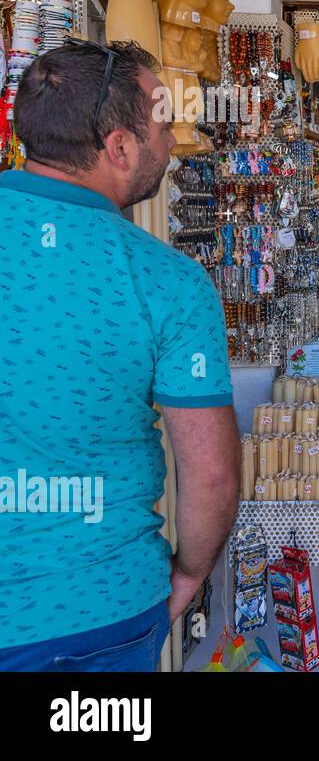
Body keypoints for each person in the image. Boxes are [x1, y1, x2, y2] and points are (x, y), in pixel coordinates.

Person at [0, 41, 238, 671]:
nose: (170, 142)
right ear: (120, 148)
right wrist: (190, 574)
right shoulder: (168, 283)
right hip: (104, 611)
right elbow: (210, 476)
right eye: (161, 124)